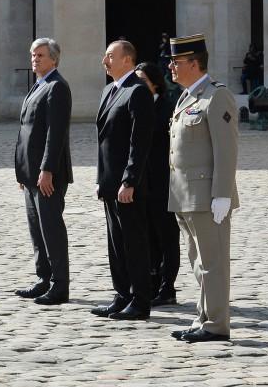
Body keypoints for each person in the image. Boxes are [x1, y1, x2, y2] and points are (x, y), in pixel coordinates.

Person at [167, 34, 239, 343]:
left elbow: (226, 148)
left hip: (207, 195)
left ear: (194, 63)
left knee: (213, 264)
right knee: (198, 263)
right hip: (185, 195)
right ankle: (204, 318)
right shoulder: (186, 97)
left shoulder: (216, 96)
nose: (171, 67)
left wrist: (222, 193)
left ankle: (216, 325)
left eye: (176, 62)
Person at [93, 40, 154, 321]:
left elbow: (138, 143)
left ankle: (140, 300)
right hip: (109, 182)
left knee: (133, 243)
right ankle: (122, 294)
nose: (104, 61)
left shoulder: (137, 92)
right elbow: (103, 141)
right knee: (115, 243)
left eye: (110, 56)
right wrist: (101, 179)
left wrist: (129, 180)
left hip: (127, 185)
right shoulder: (110, 90)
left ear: (127, 60)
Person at [13, 38, 73, 306]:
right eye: (32, 55)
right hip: (31, 175)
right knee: (36, 230)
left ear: (54, 59)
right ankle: (43, 278)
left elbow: (55, 133)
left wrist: (47, 169)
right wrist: (22, 172)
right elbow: (26, 132)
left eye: (40, 55)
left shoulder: (57, 87)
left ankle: (60, 285)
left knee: (51, 229)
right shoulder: (38, 85)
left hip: (47, 175)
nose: (34, 59)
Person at [135, 61, 179, 307]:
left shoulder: (167, 107)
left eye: (143, 81)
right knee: (147, 236)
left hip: (164, 183)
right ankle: (151, 281)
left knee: (167, 237)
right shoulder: (137, 106)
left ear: (155, 83)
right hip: (142, 183)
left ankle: (167, 287)